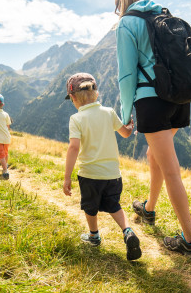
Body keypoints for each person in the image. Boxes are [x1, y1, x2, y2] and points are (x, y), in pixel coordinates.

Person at [114, 0, 191, 260]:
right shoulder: (163, 15)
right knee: (155, 154)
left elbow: (127, 74)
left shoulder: (127, 23)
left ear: (121, 3)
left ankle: (190, 242)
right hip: (180, 97)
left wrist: (126, 113)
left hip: (152, 100)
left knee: (171, 169)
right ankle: (148, 209)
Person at [62, 72, 142, 261]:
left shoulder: (76, 119)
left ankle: (94, 236)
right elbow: (125, 133)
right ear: (96, 94)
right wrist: (130, 126)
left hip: (89, 174)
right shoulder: (108, 112)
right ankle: (127, 231)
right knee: (114, 205)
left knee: (90, 207)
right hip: (113, 174)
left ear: (73, 98)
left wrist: (67, 177)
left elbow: (74, 147)